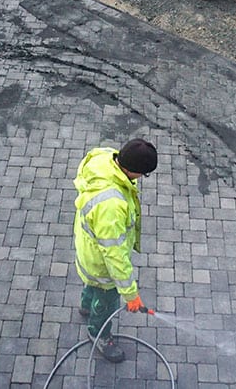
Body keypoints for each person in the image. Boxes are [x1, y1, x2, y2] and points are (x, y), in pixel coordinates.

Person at [73, 138, 157, 363]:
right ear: (133, 171)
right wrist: (130, 295)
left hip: (88, 250)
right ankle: (98, 333)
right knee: (107, 299)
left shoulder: (104, 159)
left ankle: (85, 306)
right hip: (101, 264)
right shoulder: (112, 206)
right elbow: (115, 255)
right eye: (143, 174)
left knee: (92, 287)